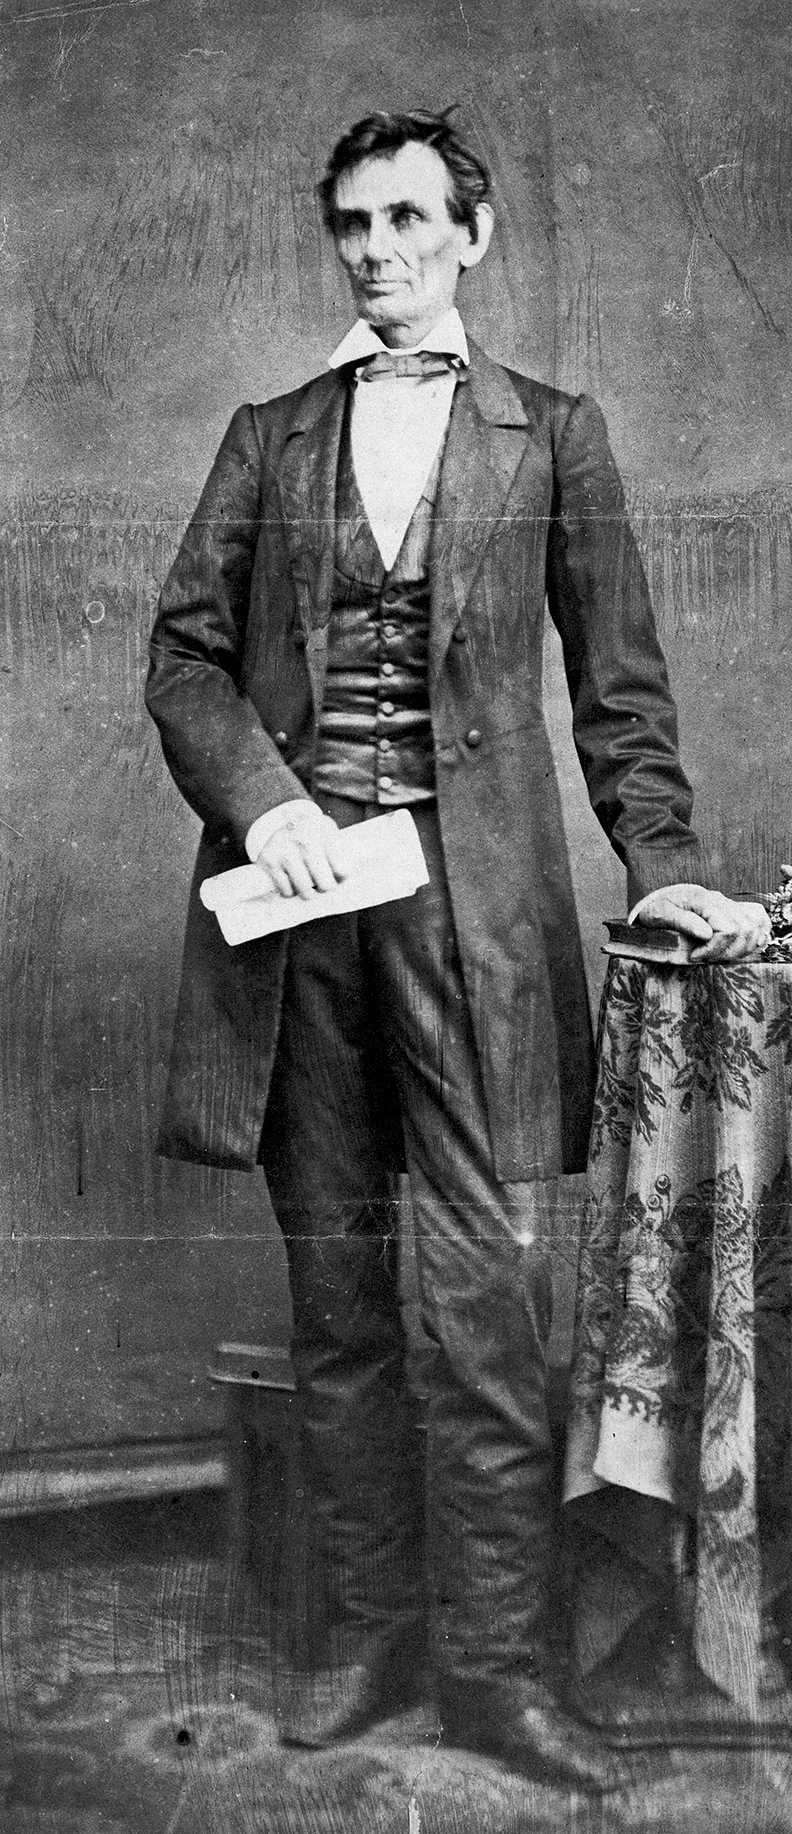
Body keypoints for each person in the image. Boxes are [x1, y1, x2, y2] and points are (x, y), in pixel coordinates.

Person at [145, 109, 768, 1787]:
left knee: (483, 1317)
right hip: (296, 932)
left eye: (413, 218)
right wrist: (270, 807)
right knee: (341, 1301)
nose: (379, 250)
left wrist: (671, 868)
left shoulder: (553, 436)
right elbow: (187, 659)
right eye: (353, 223)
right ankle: (367, 1646)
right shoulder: (267, 436)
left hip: (472, 931)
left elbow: (622, 693)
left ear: (474, 237)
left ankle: (499, 1677)